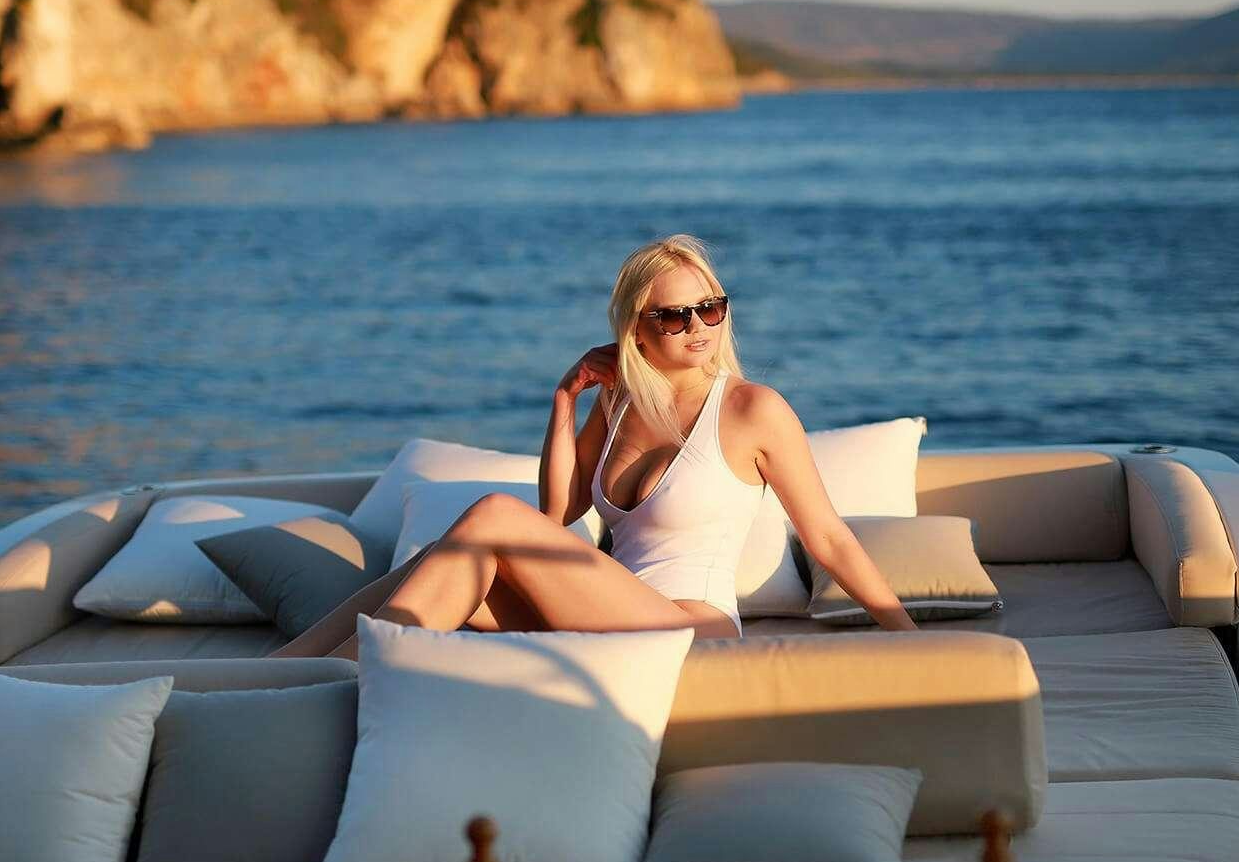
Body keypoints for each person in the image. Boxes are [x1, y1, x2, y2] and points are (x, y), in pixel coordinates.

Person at [276, 234, 915, 659]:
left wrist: (913, 641)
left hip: (692, 632)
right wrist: (566, 399)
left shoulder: (752, 409)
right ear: (636, 326)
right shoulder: (618, 404)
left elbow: (829, 539)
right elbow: (559, 514)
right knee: (442, 558)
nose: (697, 327)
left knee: (494, 516)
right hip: (604, 617)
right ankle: (293, 670)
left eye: (710, 308)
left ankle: (331, 681)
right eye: (674, 315)